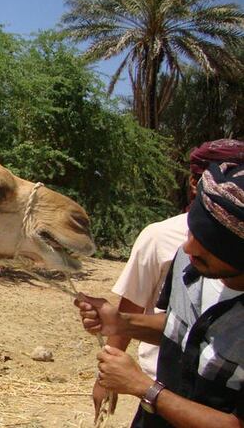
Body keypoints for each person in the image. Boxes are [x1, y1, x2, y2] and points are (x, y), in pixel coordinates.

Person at [75, 162, 243, 427]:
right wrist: (122, 322)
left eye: (208, 243)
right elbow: (182, 326)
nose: (187, 247)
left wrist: (144, 388)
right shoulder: (189, 262)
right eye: (191, 231)